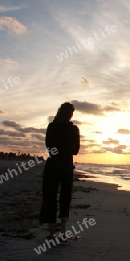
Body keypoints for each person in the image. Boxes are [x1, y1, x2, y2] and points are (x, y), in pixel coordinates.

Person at [40, 102, 80, 241]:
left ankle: (51, 234)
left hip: (52, 166)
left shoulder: (52, 126)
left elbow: (49, 147)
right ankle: (62, 233)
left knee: (49, 198)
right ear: (70, 114)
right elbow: (75, 150)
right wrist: (67, 148)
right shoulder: (74, 129)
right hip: (66, 166)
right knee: (65, 198)